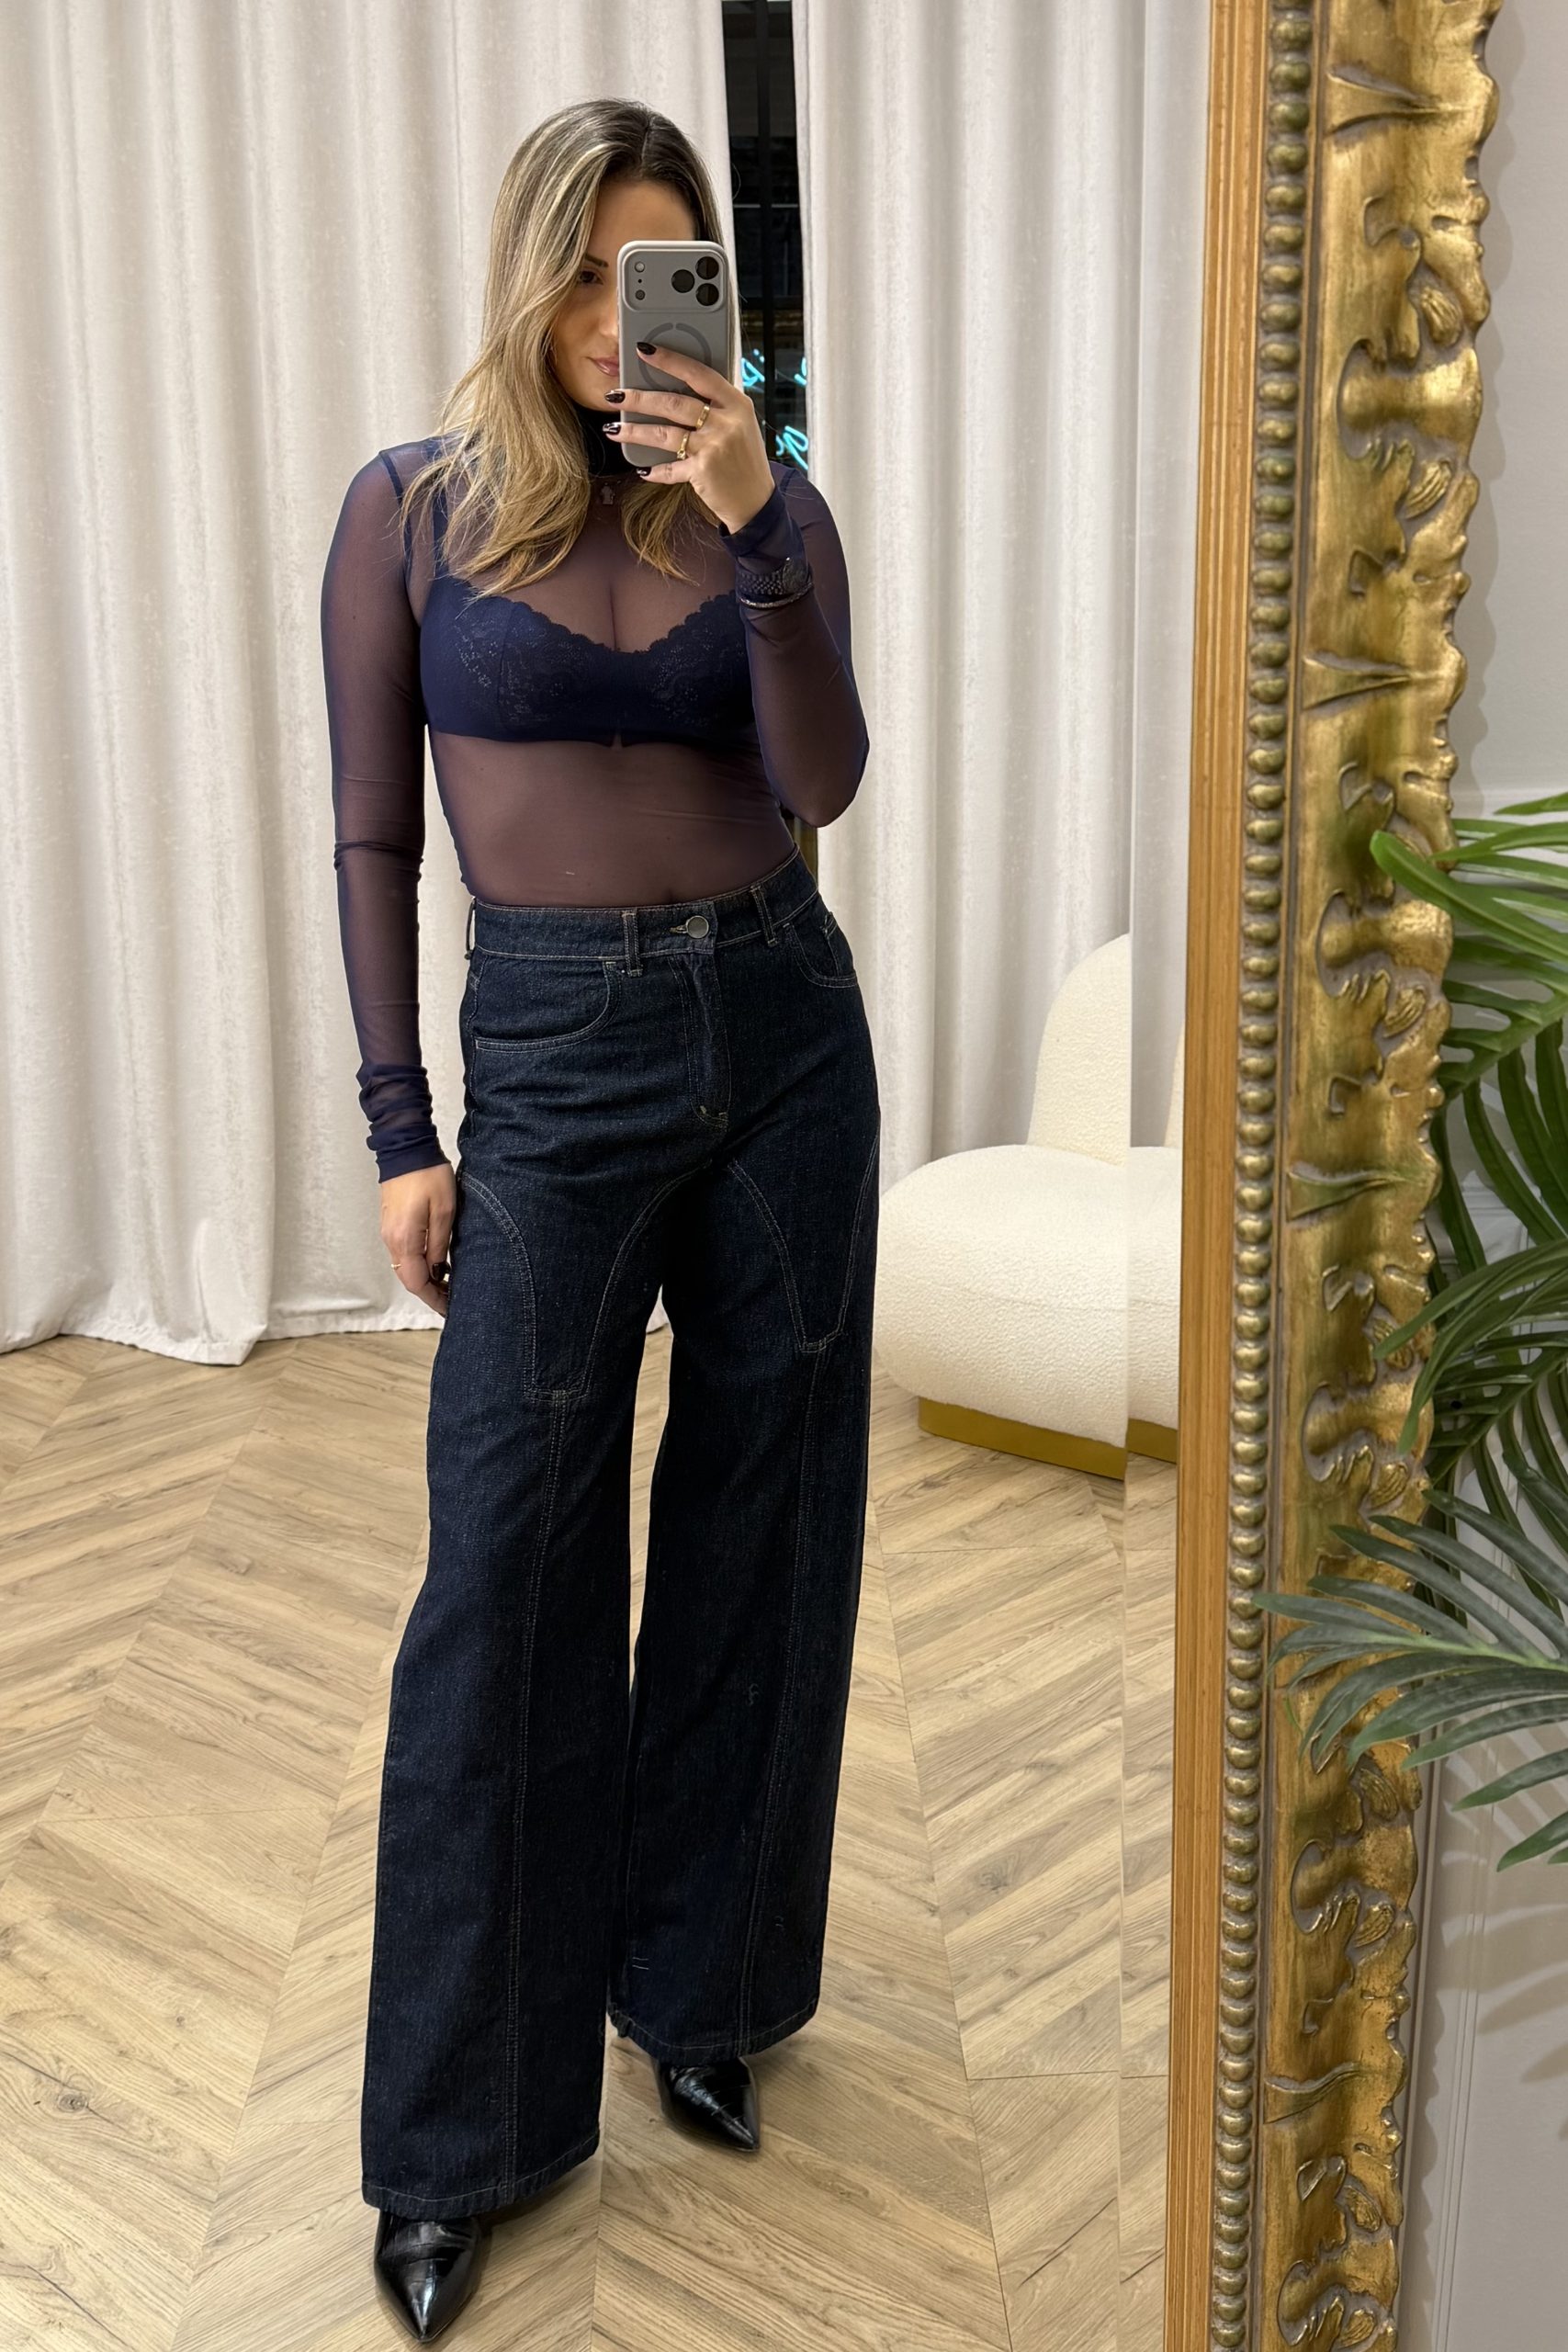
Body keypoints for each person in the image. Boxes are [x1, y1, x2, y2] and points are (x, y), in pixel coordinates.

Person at [319, 97, 879, 2345]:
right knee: (506, 1568)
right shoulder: (409, 510)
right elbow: (372, 833)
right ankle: (459, 2131)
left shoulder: (771, 497)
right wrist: (400, 1123)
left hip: (782, 1031)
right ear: (529, 272)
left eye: (652, 278)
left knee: (763, 1519)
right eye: (581, 271)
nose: (609, 319)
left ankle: (704, 1988)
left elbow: (824, 778)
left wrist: (757, 528)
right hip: (548, 1056)